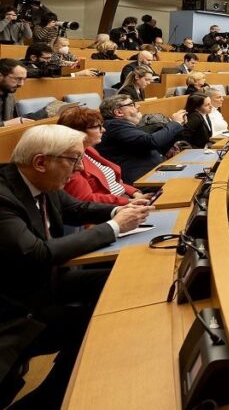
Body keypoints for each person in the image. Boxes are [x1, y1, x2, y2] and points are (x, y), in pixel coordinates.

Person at [0, 125, 152, 409]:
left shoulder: (42, 182)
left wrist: (119, 211)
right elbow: (37, 253)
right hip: (18, 306)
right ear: (41, 162)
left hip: (47, 282)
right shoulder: (3, 197)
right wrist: (113, 227)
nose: (81, 168)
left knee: (121, 281)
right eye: (74, 160)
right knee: (97, 326)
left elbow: (76, 208)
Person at [57, 106, 153, 205]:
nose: (103, 130)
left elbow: (112, 181)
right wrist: (128, 201)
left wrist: (136, 194)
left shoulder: (89, 150)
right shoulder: (70, 161)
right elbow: (85, 199)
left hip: (126, 199)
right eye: (97, 127)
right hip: (110, 208)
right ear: (78, 132)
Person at [94, 95, 186, 183]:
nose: (138, 106)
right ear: (119, 112)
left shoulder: (121, 126)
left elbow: (155, 147)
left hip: (153, 174)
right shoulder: (115, 126)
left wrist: (178, 126)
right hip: (140, 180)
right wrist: (175, 123)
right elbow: (152, 141)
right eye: (131, 105)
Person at [0, 58, 31, 126]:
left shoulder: (10, 94)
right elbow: (11, 122)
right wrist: (5, 124)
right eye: (18, 79)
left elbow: (15, 120)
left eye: (24, 79)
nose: (21, 84)